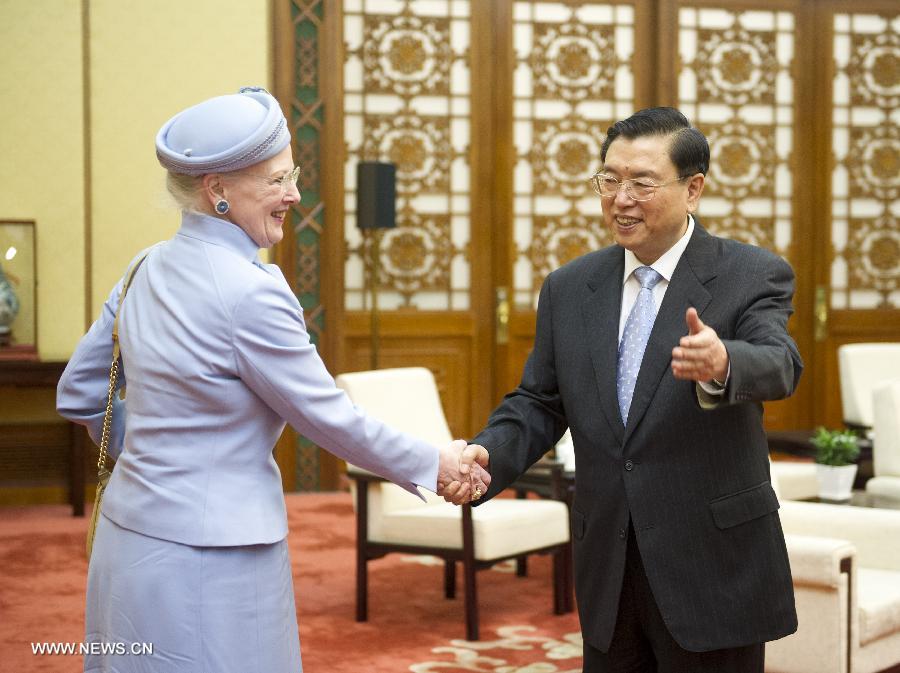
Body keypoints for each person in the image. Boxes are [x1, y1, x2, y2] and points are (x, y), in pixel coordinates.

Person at [57, 86, 488, 673]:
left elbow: (79, 393)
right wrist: (435, 464)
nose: (295, 194)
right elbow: (326, 415)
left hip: (127, 541)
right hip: (216, 562)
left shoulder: (143, 268)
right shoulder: (252, 291)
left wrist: (156, 459)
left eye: (294, 175)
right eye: (277, 180)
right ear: (218, 191)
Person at [445, 107, 802, 672]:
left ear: (693, 189)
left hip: (710, 564)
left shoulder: (750, 274)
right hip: (609, 562)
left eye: (641, 182)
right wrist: (489, 453)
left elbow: (781, 364)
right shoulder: (570, 287)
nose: (620, 198)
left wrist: (722, 359)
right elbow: (540, 400)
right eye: (609, 180)